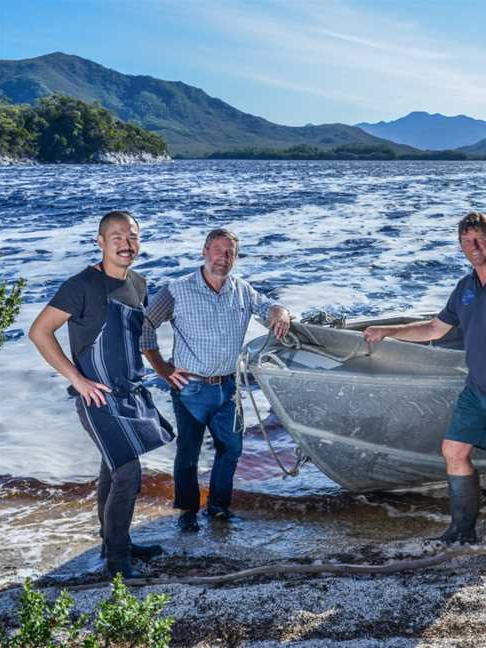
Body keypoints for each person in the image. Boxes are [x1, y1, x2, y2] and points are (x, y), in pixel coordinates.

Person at [364, 212, 486, 545]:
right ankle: (463, 529)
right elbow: (435, 328)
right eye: (466, 241)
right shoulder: (464, 288)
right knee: (453, 450)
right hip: (475, 390)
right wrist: (388, 331)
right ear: (460, 246)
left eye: (478, 239)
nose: (473, 247)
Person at [29, 211, 175, 578]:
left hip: (130, 392)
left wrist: (163, 368)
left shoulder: (139, 283)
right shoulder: (81, 285)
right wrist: (77, 380)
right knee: (128, 474)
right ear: (101, 241)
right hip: (97, 397)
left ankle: (115, 542)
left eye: (133, 237)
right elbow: (39, 332)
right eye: (117, 237)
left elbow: (137, 336)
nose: (126, 244)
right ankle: (118, 561)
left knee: (112, 469)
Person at [140, 228, 290, 532]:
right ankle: (187, 512)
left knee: (231, 450)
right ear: (205, 252)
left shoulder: (242, 290)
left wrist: (280, 311)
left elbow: (267, 308)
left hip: (229, 387)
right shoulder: (177, 289)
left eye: (230, 253)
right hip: (190, 388)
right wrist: (161, 368)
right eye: (218, 250)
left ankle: (218, 509)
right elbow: (145, 324)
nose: (224, 258)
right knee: (189, 455)